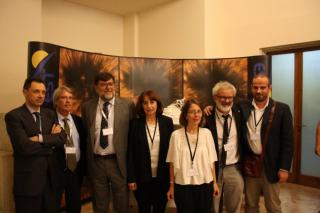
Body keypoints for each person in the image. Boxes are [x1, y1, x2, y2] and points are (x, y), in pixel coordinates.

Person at [5, 77, 67, 213]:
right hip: (28, 183)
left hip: (51, 182)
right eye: (36, 92)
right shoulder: (14, 116)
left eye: (43, 92)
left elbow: (62, 137)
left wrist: (38, 138)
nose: (41, 96)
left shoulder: (49, 114)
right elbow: (24, 147)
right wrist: (50, 143)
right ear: (25, 92)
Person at [239, 73, 293, 213]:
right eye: (255, 87)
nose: (259, 91)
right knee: (250, 204)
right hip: (251, 164)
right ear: (251, 88)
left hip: (272, 166)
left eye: (262, 87)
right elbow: (224, 108)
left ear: (269, 88)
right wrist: (208, 108)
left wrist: (284, 168)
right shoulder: (242, 106)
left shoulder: (282, 109)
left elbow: (288, 141)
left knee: (273, 206)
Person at [81, 72, 135, 213]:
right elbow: (86, 133)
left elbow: (132, 134)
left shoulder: (127, 106)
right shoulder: (87, 107)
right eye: (103, 84)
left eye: (110, 84)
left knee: (122, 202)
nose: (107, 87)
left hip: (118, 161)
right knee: (100, 203)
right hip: (97, 162)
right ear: (96, 87)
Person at [166, 99, 219, 213]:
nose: (196, 115)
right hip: (183, 185)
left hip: (205, 184)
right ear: (185, 115)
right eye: (192, 112)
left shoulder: (207, 134)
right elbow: (172, 163)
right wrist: (171, 186)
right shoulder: (176, 135)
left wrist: (214, 183)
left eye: (199, 111)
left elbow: (212, 161)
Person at [127, 90, 174, 213]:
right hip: (141, 178)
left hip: (162, 177)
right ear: (141, 106)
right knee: (143, 209)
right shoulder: (135, 124)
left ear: (157, 104)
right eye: (145, 103)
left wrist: (172, 179)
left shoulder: (167, 122)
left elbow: (172, 152)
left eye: (152, 102)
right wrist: (131, 178)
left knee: (160, 209)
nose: (149, 106)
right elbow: (130, 153)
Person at [205, 81, 244, 213]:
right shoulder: (206, 117)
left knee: (235, 206)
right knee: (213, 207)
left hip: (234, 167)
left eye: (230, 97)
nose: (226, 100)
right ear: (215, 97)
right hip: (213, 169)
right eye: (222, 97)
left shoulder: (240, 113)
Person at [53, 86, 86, 213]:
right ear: (56, 101)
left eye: (70, 98)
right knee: (53, 204)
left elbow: (82, 144)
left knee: (74, 205)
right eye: (64, 98)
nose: (68, 101)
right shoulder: (49, 120)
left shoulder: (78, 121)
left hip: (75, 170)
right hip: (57, 170)